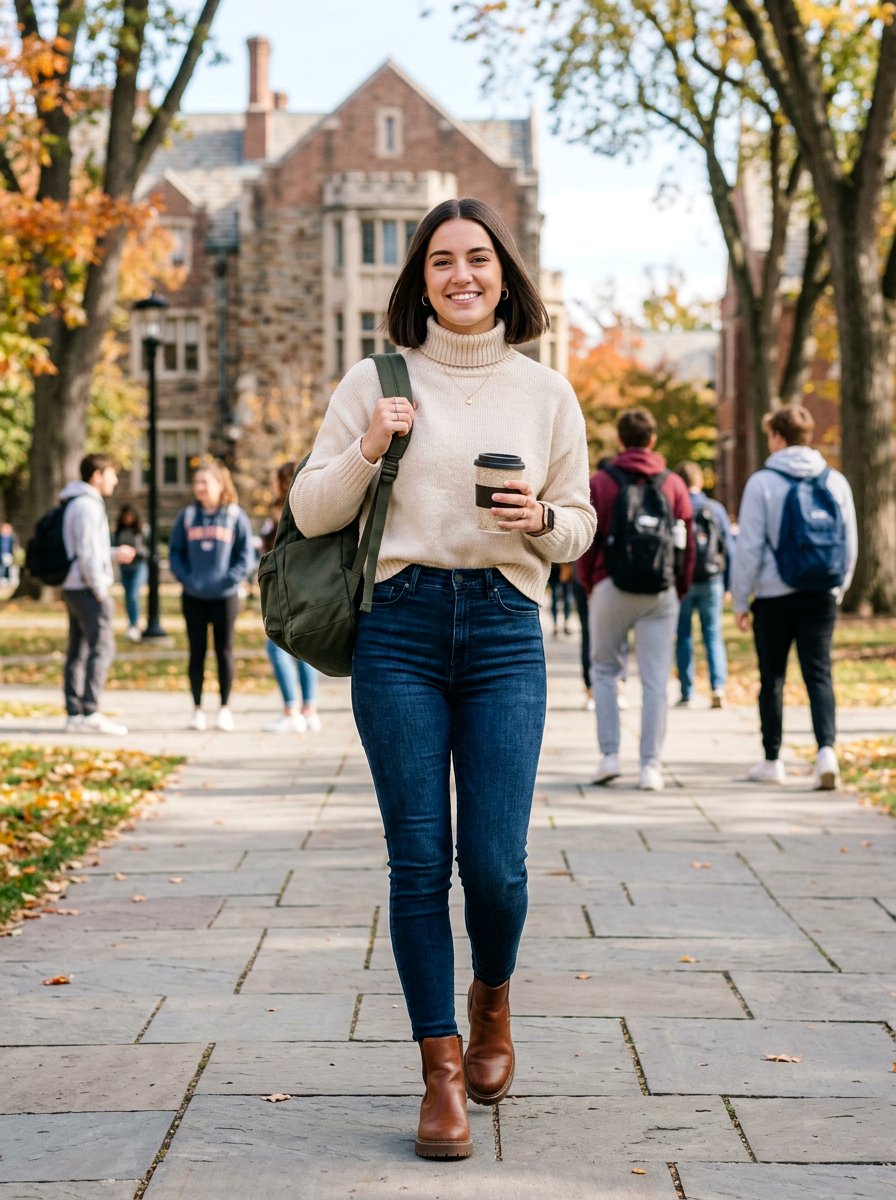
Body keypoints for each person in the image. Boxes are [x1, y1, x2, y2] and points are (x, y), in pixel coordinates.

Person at [291, 197, 595, 1160]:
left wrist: (539, 522)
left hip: (506, 627)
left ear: (505, 272)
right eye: (440, 263)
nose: (460, 276)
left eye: (477, 259)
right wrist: (371, 444)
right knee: (419, 863)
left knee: (496, 868)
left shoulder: (546, 392)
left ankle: (492, 996)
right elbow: (308, 511)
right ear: (418, 280)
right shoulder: (374, 381)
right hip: (400, 631)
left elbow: (583, 523)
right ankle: (441, 1073)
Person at [731, 405, 857, 789]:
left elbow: (749, 546)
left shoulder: (763, 482)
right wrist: (839, 587)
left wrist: (740, 599)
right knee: (819, 672)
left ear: (778, 437)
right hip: (821, 591)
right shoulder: (834, 481)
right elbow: (849, 543)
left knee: (772, 677)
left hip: (773, 595)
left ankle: (772, 760)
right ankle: (826, 752)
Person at [578, 408, 695, 792]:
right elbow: (687, 542)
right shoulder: (674, 484)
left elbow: (587, 538)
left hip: (611, 585)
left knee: (606, 671)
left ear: (619, 441)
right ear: (653, 441)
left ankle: (609, 757)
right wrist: (678, 587)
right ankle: (651, 767)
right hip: (660, 592)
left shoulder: (601, 481)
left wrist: (591, 582)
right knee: (656, 681)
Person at [168, 458, 255, 732]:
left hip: (225, 597)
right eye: (197, 482)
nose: (200, 487)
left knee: (224, 652)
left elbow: (245, 556)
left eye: (205, 482)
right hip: (193, 596)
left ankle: (224, 709)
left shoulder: (234, 516)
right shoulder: (188, 517)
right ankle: (196, 709)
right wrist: (187, 579)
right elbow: (175, 553)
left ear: (220, 484)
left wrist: (229, 580)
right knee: (196, 652)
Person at [59, 454, 136, 734]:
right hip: (87, 588)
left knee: (78, 649)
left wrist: (114, 554)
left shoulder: (73, 502)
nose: (115, 480)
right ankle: (89, 711)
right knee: (102, 647)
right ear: (97, 476)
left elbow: (87, 549)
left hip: (73, 585)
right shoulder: (88, 506)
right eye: (111, 474)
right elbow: (88, 555)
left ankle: (74, 713)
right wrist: (101, 591)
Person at [259, 463, 322, 733]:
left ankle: (291, 709)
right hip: (303, 583)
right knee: (304, 648)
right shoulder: (311, 506)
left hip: (291, 584)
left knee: (277, 646)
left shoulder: (286, 511)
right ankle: (309, 710)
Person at [673, 461, 735, 709]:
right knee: (713, 634)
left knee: (684, 636)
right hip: (712, 579)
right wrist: (729, 584)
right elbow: (729, 548)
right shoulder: (715, 509)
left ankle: (687, 691)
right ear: (700, 481)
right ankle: (717, 686)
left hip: (684, 581)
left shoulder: (676, 506)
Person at [112, 504, 149, 642]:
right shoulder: (118, 531)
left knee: (133, 594)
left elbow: (150, 547)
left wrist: (139, 553)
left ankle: (134, 625)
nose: (127, 519)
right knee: (128, 596)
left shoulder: (142, 530)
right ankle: (131, 624)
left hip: (138, 566)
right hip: (125, 567)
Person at [548, 560, 574, 636]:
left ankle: (565, 624)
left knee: (566, 599)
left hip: (565, 568)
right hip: (554, 569)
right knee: (555, 599)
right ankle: (555, 625)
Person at [0, 521, 17, 588]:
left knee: (7, 568)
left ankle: (5, 581)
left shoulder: (11, 538)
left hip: (8, 555)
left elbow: (13, 547)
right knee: (1, 567)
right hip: (1, 555)